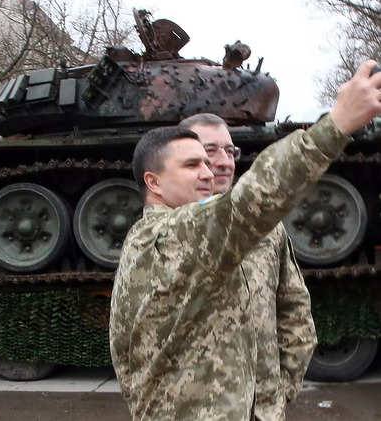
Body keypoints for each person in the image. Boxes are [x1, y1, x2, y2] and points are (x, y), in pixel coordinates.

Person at [109, 59, 380, 420]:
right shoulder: (162, 237)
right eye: (197, 161)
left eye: (227, 152)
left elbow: (294, 310)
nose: (213, 168)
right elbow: (248, 203)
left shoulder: (259, 230)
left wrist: (277, 397)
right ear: (153, 182)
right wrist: (338, 123)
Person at [179, 112, 316, 420]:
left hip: (262, 410)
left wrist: (281, 391)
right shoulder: (164, 231)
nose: (225, 162)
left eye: (230, 151)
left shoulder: (267, 227)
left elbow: (294, 308)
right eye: (210, 150)